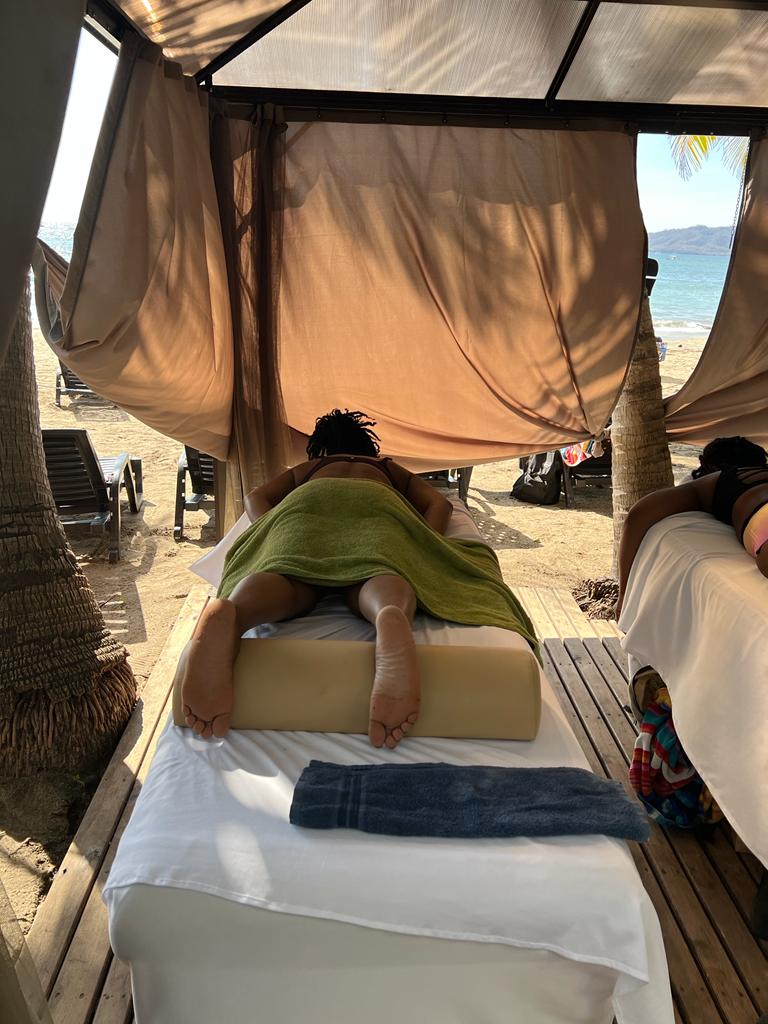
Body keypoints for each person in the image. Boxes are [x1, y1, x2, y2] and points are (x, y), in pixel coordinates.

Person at [180, 410, 537, 749]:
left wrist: (273, 529)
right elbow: (439, 506)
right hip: (376, 505)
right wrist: (416, 541)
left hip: (307, 505)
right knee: (377, 572)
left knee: (288, 578)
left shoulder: (311, 467)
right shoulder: (384, 467)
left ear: (321, 447)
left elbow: (256, 497)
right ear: (367, 446)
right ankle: (388, 615)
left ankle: (235, 612)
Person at [616, 436, 768, 618]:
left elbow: (638, 515)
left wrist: (624, 592)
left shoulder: (718, 480)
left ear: (706, 465)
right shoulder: (730, 480)